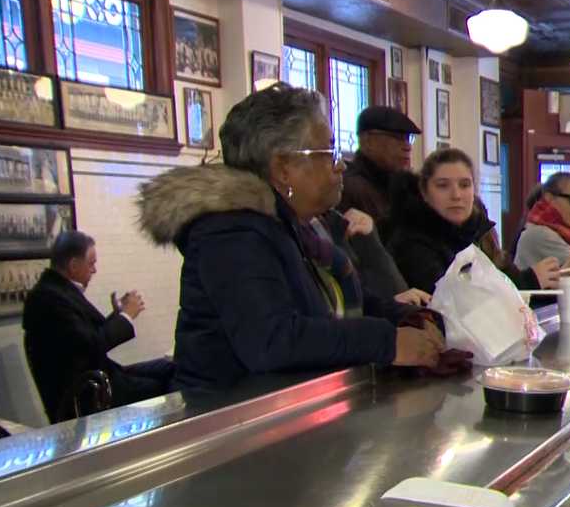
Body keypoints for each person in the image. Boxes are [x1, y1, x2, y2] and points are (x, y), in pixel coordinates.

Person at [137, 83, 465, 390]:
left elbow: (348, 304)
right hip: (229, 424)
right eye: (329, 152)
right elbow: (272, 340)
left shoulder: (301, 225)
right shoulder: (231, 232)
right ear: (283, 168)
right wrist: (387, 341)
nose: (341, 167)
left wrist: (413, 319)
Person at [23, 231, 175, 423]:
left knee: (171, 367)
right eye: (91, 263)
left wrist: (118, 313)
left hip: (102, 376)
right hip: (92, 393)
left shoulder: (56, 291)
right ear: (74, 265)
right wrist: (127, 316)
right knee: (171, 380)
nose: (94, 270)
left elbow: (85, 335)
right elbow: (92, 344)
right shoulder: (49, 300)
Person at [393, 148, 570, 294]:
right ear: (425, 192)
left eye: (464, 185)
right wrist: (530, 280)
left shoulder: (479, 230)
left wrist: (555, 276)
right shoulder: (411, 242)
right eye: (443, 185)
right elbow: (453, 302)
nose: (456, 195)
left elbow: (506, 277)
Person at [339, 105, 420, 242]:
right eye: (397, 137)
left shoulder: (400, 185)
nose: (407, 146)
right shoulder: (350, 187)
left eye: (408, 138)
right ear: (368, 141)